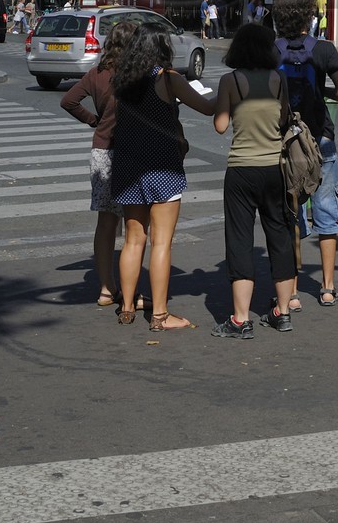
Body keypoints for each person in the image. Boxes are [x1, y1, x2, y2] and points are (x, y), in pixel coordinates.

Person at [109, 22, 213, 329]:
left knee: (132, 240)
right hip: (162, 167)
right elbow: (206, 107)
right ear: (161, 47)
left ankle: (127, 309)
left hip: (128, 167)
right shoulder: (168, 79)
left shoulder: (123, 79)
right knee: (162, 243)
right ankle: (159, 315)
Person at [210, 24, 296, 339]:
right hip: (275, 169)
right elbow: (284, 118)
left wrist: (227, 107)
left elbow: (220, 125)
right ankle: (283, 313)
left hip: (241, 171)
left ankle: (240, 319)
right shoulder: (278, 80)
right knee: (280, 237)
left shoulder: (230, 80)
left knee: (240, 241)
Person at [273, 0, 338, 307]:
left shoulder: (272, 49)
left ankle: (290, 292)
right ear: (309, 15)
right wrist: (324, 95)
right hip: (321, 141)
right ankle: (328, 286)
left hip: (284, 142)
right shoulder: (324, 49)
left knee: (290, 212)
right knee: (327, 212)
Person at [60, 19, 139, 307]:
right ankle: (130, 292)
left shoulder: (97, 73)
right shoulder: (137, 76)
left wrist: (94, 120)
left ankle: (107, 288)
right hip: (130, 154)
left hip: (102, 151)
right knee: (135, 225)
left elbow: (68, 101)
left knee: (105, 223)